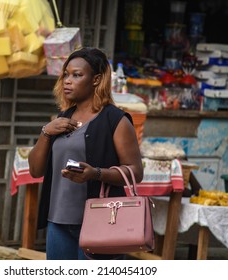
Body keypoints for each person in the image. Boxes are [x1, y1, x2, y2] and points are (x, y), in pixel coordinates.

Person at [28, 47, 143, 260]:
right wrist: (46, 132)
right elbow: (35, 170)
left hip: (101, 222)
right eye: (65, 75)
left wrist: (96, 174)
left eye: (77, 75)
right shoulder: (62, 118)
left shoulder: (115, 120)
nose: (67, 81)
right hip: (58, 222)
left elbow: (135, 172)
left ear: (96, 80)